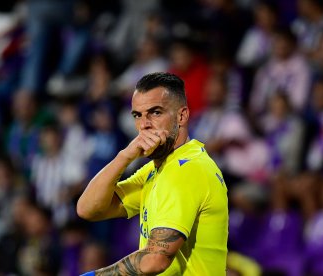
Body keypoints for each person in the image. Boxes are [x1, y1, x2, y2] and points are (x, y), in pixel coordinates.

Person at [77, 72, 228, 275]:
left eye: (155, 113)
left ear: (181, 116)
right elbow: (88, 208)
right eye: (137, 115)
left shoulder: (187, 170)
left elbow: (156, 259)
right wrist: (124, 156)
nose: (144, 125)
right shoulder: (156, 170)